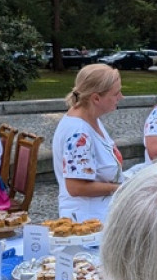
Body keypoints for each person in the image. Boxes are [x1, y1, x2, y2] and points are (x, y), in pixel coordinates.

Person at [52, 64, 124, 223]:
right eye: (116, 93)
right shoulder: (78, 133)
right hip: (87, 223)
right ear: (96, 98)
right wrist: (121, 188)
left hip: (97, 216)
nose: (121, 97)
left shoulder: (91, 119)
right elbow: (76, 187)